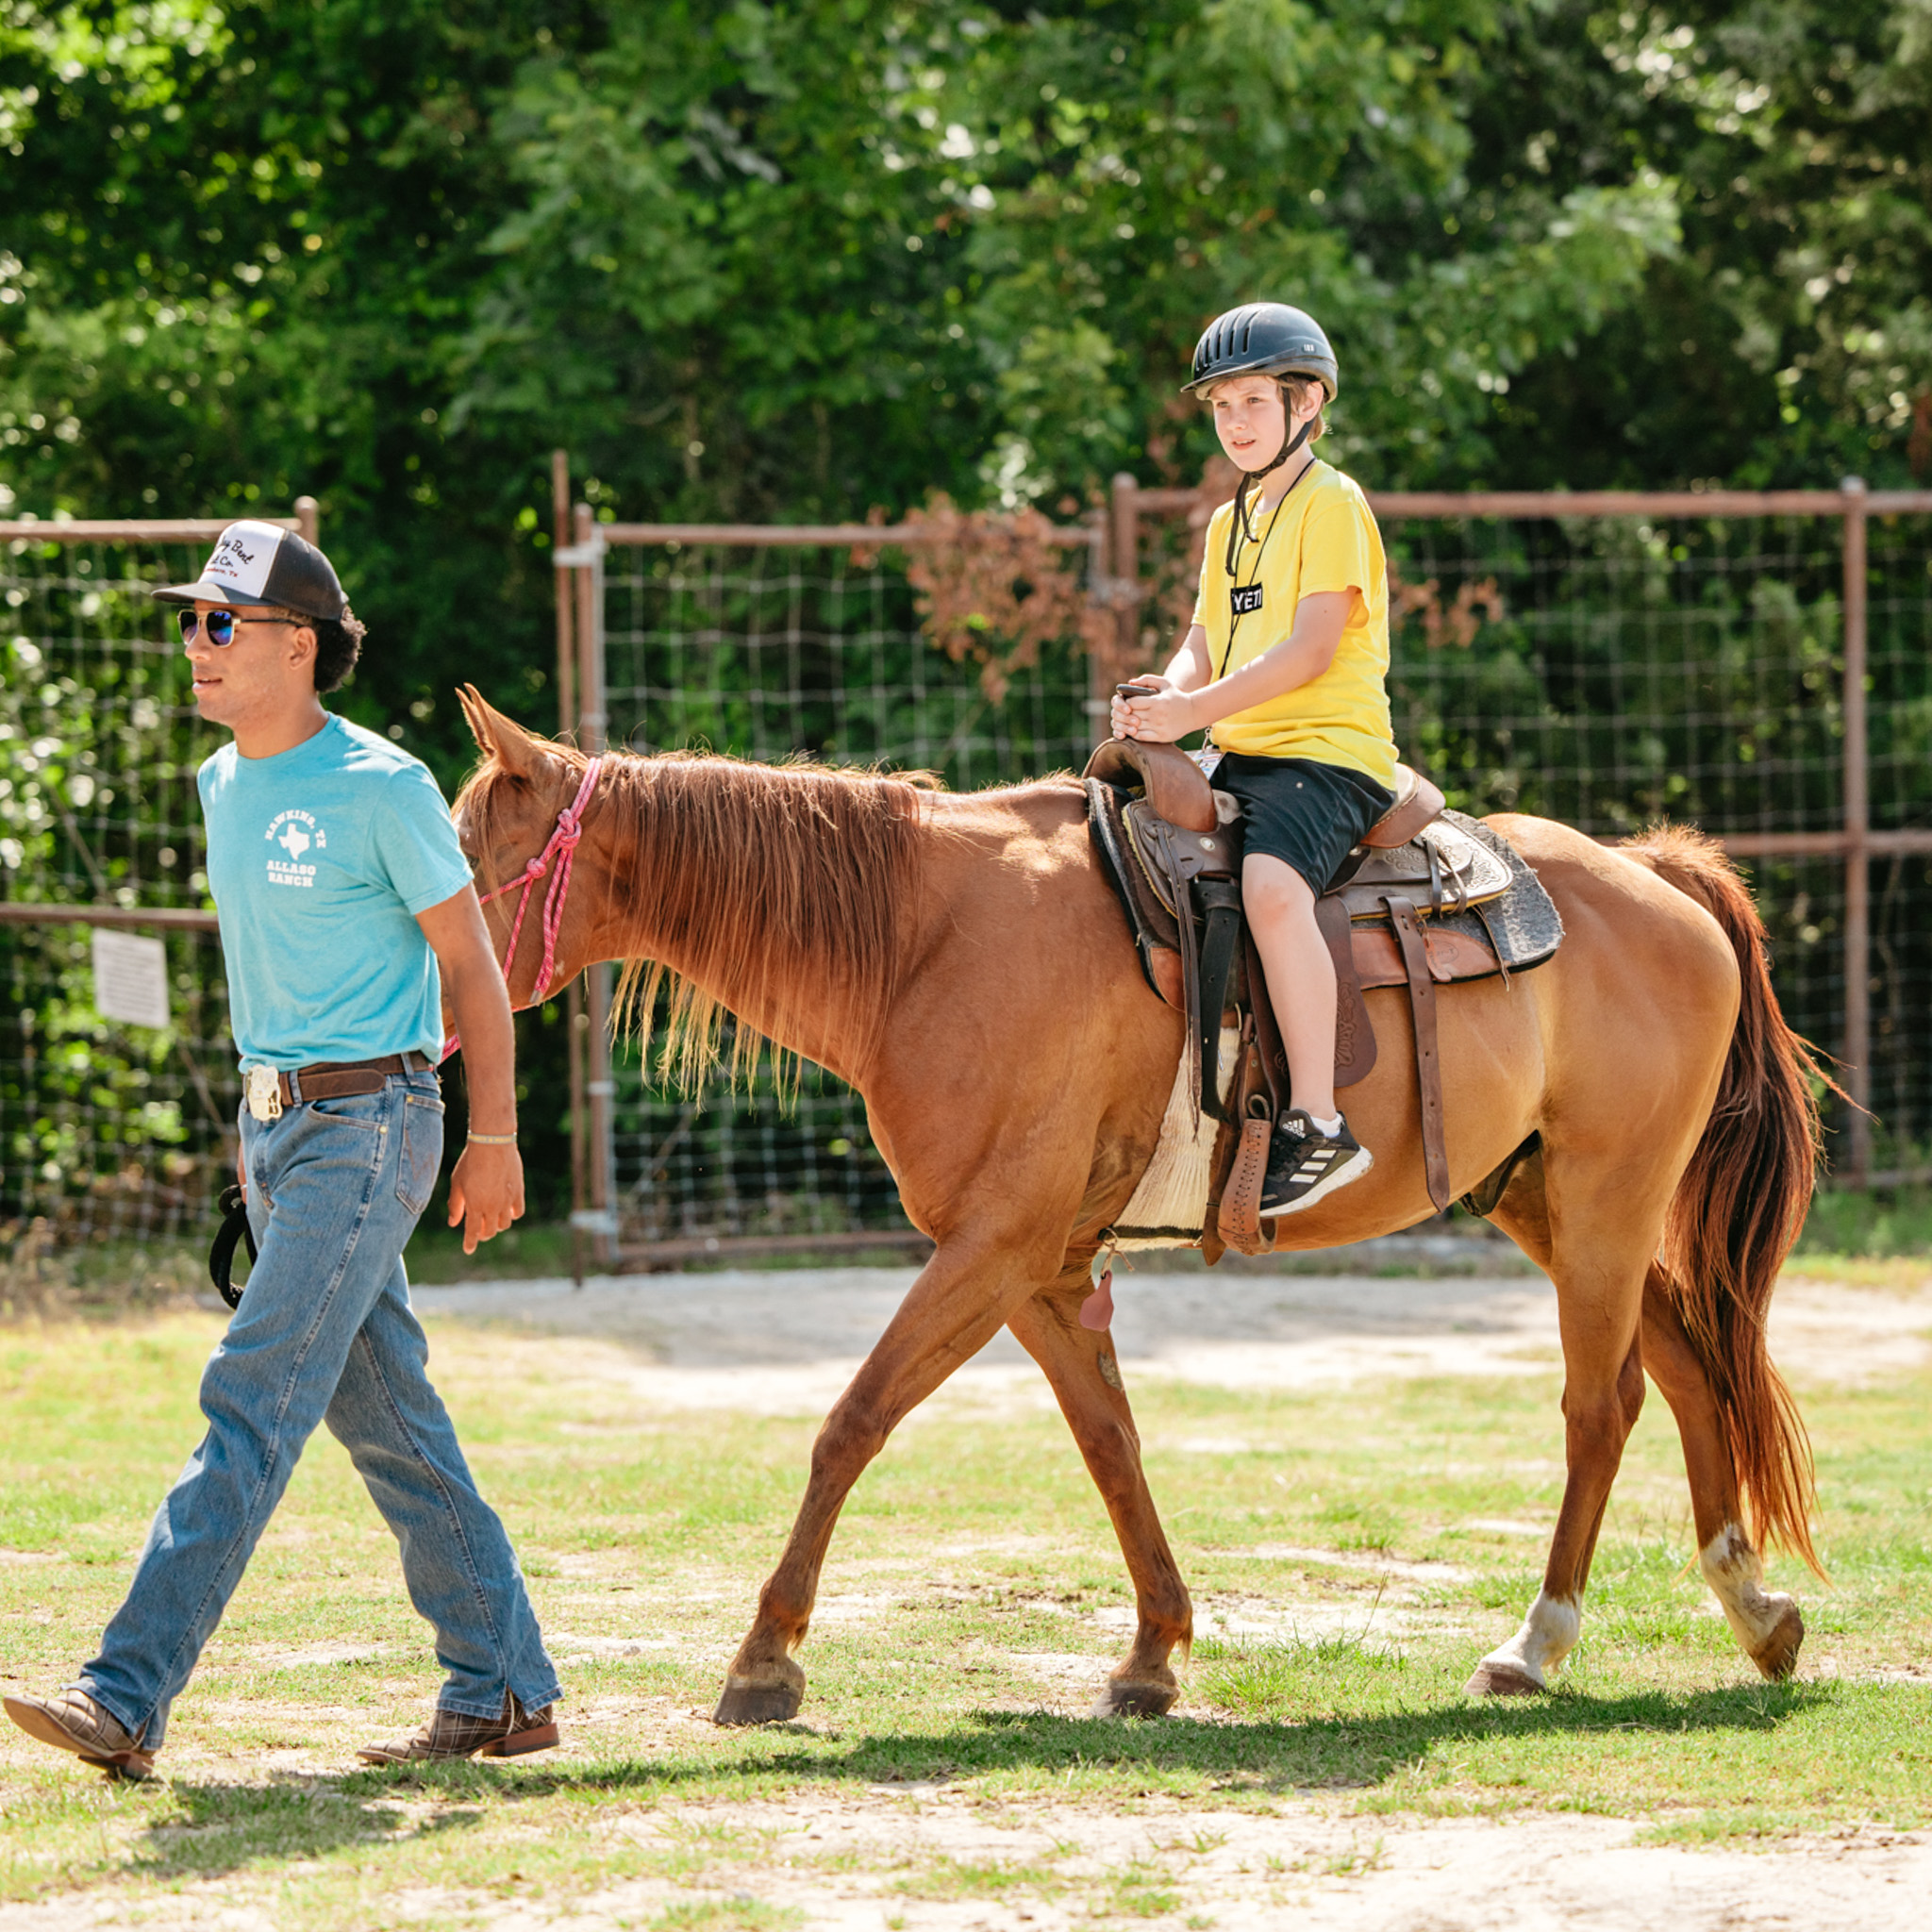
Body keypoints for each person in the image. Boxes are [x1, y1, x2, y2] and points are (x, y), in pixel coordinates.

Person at [3, 521, 561, 1779]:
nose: (192, 646)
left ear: (295, 646)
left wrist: (494, 1138)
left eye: (218, 623)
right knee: (389, 1415)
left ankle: (124, 1694)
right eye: (188, 622)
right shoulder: (221, 783)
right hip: (280, 1129)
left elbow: (471, 963)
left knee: (251, 1398)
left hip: (374, 1128)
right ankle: (504, 1687)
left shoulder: (382, 784)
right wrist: (259, 1123)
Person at [1111, 302, 1400, 1217]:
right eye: (1219, 406)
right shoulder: (1227, 521)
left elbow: (1310, 650)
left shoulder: (1332, 503)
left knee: (1273, 889)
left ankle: (1317, 1122)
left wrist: (1193, 710)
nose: (1233, 422)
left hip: (1326, 754)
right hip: (1239, 747)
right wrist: (1165, 693)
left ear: (1305, 401)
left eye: (1250, 402)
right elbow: (1203, 637)